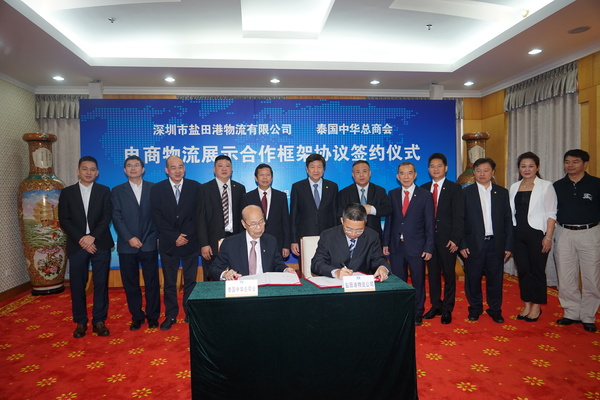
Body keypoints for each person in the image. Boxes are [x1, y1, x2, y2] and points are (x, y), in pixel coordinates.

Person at [58, 156, 114, 338]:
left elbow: (107, 216)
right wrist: (82, 239)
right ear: (78, 171)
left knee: (101, 283)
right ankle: (80, 322)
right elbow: (64, 219)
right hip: (77, 245)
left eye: (92, 169)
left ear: (97, 173)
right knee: (77, 284)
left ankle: (99, 321)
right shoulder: (67, 193)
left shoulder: (104, 191)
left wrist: (92, 237)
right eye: (85, 169)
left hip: (100, 243)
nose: (88, 172)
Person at [150, 156, 202, 331]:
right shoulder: (157, 189)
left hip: (190, 241)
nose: (177, 171)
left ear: (184, 169)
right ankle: (171, 314)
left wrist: (184, 235)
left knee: (190, 280)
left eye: (180, 167)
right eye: (173, 167)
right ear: (167, 170)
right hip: (168, 243)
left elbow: (198, 215)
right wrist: (174, 236)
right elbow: (157, 216)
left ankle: (189, 312)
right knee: (170, 282)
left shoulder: (195, 187)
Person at [459, 158, 513, 323]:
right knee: (473, 279)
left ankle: (495, 309)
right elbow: (459, 220)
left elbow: (508, 220)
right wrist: (462, 244)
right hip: (473, 244)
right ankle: (475, 308)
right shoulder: (465, 193)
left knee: (495, 279)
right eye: (478, 170)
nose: (482, 174)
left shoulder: (502, 193)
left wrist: (508, 245)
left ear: (492, 172)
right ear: (474, 173)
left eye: (486, 170)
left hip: (496, 244)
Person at [553, 149, 600, 333]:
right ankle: (571, 312)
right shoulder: (557, 186)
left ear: (585, 164)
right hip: (564, 232)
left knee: (591, 276)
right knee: (565, 275)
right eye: (567, 162)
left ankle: (588, 315)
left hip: (590, 232)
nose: (570, 165)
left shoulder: (596, 184)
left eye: (575, 161)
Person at [112, 155, 160, 330]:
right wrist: (129, 237)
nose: (133, 168)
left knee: (152, 282)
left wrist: (149, 237)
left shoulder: (154, 189)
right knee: (130, 283)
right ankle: (137, 316)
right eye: (129, 166)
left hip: (149, 242)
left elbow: (158, 216)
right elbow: (116, 217)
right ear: (125, 170)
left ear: (143, 169)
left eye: (137, 165)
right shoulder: (117, 191)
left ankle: (153, 316)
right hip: (127, 245)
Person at [383, 161, 434, 325]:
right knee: (399, 281)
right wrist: (386, 243)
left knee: (418, 281)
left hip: (417, 247)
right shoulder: (392, 194)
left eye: (409, 173)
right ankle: (401, 311)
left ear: (415, 175)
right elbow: (389, 221)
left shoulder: (425, 195)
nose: (406, 177)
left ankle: (417, 311)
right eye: (402, 173)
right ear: (397, 176)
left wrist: (429, 247)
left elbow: (429, 224)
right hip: (396, 246)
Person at [509, 152, 557, 323]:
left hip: (537, 234)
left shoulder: (546, 186)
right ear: (519, 168)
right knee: (523, 270)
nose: (527, 169)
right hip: (518, 235)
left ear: (538, 167)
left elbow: (551, 213)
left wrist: (548, 237)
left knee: (537, 270)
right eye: (523, 166)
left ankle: (536, 306)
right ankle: (526, 304)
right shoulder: (514, 187)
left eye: (530, 166)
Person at [421, 153, 464, 324]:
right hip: (429, 241)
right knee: (432, 275)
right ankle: (436, 305)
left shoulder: (455, 188)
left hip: (448, 241)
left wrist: (456, 239)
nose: (436, 169)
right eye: (432, 166)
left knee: (448, 275)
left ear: (446, 168)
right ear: (428, 169)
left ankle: (447, 308)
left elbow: (459, 216)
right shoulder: (423, 188)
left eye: (439, 166)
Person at [209, 205, 296, 280]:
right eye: (253, 224)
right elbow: (213, 269)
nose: (259, 227)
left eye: (261, 222)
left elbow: (278, 264)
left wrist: (285, 269)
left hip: (266, 288)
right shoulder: (230, 243)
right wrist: (224, 274)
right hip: (242, 287)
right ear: (244, 224)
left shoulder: (271, 241)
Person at [312, 203, 389, 281]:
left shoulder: (372, 236)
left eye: (359, 230)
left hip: (361, 283)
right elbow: (317, 263)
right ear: (342, 220)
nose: (353, 234)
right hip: (335, 282)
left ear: (365, 223)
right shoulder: (328, 236)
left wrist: (383, 268)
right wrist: (336, 272)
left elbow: (379, 259)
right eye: (349, 229)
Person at [198, 155, 246, 279]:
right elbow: (200, 218)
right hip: (212, 241)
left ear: (232, 169)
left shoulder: (240, 188)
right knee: (212, 277)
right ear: (214, 169)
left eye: (227, 166)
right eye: (220, 166)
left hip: (235, 239)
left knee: (236, 277)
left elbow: (243, 217)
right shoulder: (204, 189)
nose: (224, 169)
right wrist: (204, 244)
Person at [290, 153, 338, 259]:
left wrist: (336, 237)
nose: (316, 170)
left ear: (323, 169)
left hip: (328, 237)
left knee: (327, 265)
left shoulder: (332, 187)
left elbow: (335, 214)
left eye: (319, 167)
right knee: (306, 265)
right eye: (312, 167)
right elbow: (293, 216)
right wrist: (293, 240)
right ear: (307, 169)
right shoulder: (298, 187)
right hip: (305, 236)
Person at [241, 164, 291, 259]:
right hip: (254, 241)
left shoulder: (281, 196)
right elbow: (245, 223)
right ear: (256, 178)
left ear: (272, 178)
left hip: (277, 242)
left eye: (268, 175)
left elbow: (285, 222)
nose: (265, 178)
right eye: (261, 175)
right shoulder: (247, 197)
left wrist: (286, 245)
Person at [337, 160, 391, 239]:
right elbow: (340, 214)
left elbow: (388, 209)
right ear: (353, 175)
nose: (361, 175)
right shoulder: (344, 193)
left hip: (374, 236)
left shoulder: (379, 191)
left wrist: (371, 209)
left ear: (370, 173)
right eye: (358, 172)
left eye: (364, 171)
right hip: (352, 236)